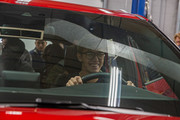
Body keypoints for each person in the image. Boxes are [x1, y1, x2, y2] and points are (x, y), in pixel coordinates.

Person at [65, 46, 135, 87]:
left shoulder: (113, 84)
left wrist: (130, 90)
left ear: (104, 57)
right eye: (90, 54)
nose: (95, 59)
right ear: (80, 56)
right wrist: (68, 89)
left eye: (100, 54)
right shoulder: (67, 81)